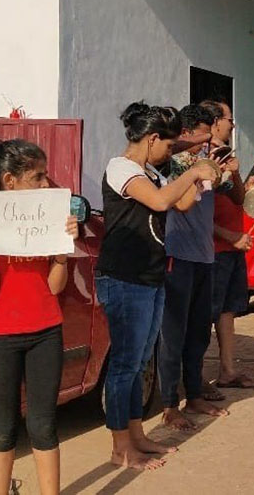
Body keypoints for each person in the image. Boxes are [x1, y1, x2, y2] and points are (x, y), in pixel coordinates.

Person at [95, 102, 217, 470]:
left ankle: (137, 436)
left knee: (139, 363)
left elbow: (183, 203)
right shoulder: (122, 168)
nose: (169, 152)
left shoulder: (150, 171)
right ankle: (120, 447)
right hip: (123, 278)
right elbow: (163, 201)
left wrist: (198, 168)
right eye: (166, 145)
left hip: (150, 276)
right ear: (150, 139)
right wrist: (193, 169)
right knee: (124, 365)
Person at [0, 140, 78, 495]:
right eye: (37, 177)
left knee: (43, 425)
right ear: (10, 181)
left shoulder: (48, 221)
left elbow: (55, 287)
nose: (46, 184)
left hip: (45, 332)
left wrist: (62, 253)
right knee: (2, 427)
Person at [159, 104, 230, 430]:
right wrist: (201, 152)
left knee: (199, 333)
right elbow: (182, 203)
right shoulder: (172, 162)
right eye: (204, 133)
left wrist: (230, 169)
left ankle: (195, 394)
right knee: (174, 334)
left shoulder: (208, 164)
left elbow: (237, 196)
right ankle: (169, 404)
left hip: (205, 257)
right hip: (177, 256)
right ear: (187, 133)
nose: (209, 139)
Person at [200, 100, 254, 394]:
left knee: (227, 312)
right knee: (204, 316)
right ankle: (197, 379)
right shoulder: (198, 159)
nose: (232, 124)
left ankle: (227, 371)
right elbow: (195, 213)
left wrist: (237, 174)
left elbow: (238, 199)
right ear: (215, 122)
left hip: (232, 249)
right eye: (228, 119)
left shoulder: (226, 155)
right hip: (212, 250)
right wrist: (229, 236)